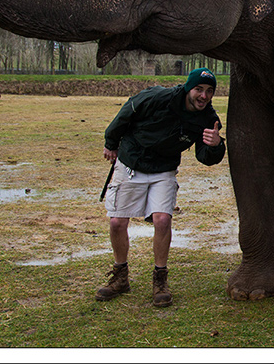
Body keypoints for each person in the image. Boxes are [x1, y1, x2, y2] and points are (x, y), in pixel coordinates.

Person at [95, 67, 226, 307]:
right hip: (131, 161)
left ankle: (160, 280)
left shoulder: (208, 118)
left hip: (164, 169)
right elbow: (126, 112)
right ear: (189, 87)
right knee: (116, 222)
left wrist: (216, 145)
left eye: (209, 91)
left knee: (162, 220)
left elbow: (205, 157)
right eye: (199, 89)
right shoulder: (158, 97)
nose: (204, 96)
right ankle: (120, 277)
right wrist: (111, 142)